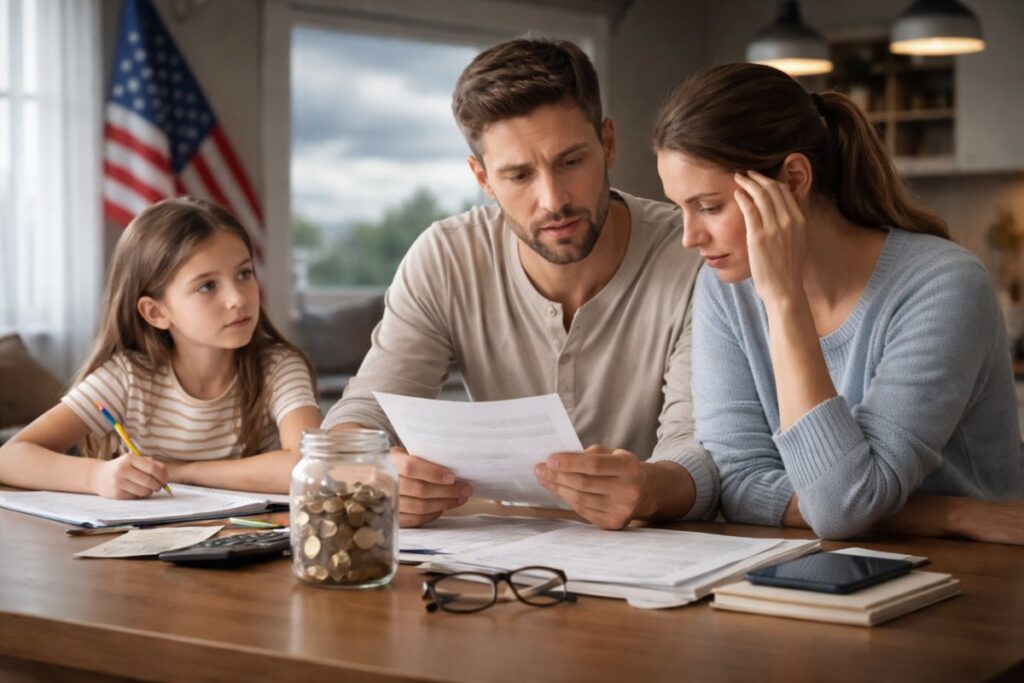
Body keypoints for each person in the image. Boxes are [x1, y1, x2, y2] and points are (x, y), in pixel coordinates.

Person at [323, 37, 716, 530]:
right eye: (518, 175)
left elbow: (700, 447)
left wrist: (652, 487)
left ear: (608, 143)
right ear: (483, 178)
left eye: (571, 162)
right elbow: (363, 414)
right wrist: (371, 470)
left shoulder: (693, 255)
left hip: (661, 552)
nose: (552, 200)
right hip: (499, 556)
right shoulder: (446, 258)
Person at [653, 63, 1024, 542]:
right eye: (679, 207)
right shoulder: (723, 288)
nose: (689, 237)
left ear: (791, 180)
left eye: (709, 207)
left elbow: (842, 508)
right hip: (836, 560)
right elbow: (737, 483)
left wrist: (785, 300)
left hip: (977, 576)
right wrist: (941, 514)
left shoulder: (944, 285)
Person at [0, 197, 322, 498]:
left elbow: (309, 465)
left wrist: (182, 473)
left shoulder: (279, 367)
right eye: (207, 286)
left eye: (244, 273)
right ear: (156, 312)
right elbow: (10, 458)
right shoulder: (127, 378)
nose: (238, 298)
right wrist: (95, 477)